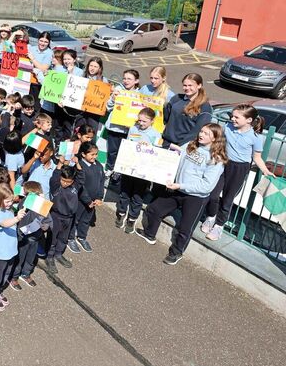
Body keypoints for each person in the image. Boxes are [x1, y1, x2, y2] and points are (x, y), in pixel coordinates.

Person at [136, 124, 227, 265]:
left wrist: (181, 185)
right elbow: (173, 153)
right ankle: (149, 234)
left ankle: (176, 253)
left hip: (196, 198)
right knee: (154, 209)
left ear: (215, 138)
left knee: (185, 228)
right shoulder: (191, 145)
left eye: (207, 134)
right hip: (177, 190)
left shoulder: (216, 159)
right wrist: (149, 145)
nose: (201, 134)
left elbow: (206, 186)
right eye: (201, 131)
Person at [201, 104, 273, 241]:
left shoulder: (256, 137)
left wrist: (265, 170)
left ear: (248, 120)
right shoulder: (228, 127)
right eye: (232, 116)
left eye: (236, 117)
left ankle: (219, 226)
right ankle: (210, 217)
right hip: (222, 164)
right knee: (213, 194)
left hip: (239, 169)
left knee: (227, 200)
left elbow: (256, 157)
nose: (232, 119)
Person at [115, 108, 163, 233]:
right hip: (129, 167)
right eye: (139, 120)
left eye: (144, 121)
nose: (140, 123)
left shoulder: (156, 135)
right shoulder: (133, 129)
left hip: (143, 171)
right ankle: (121, 213)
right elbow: (127, 144)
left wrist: (150, 147)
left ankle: (132, 219)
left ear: (152, 121)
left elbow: (158, 152)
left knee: (137, 196)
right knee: (124, 192)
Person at [0, 184, 24, 311]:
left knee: (6, 274)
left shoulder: (10, 210)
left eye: (11, 201)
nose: (10, 203)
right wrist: (17, 218)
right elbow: (5, 224)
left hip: (10, 250)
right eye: (7, 201)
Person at [162, 73, 212, 148]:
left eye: (190, 85)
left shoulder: (205, 107)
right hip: (165, 142)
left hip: (182, 147)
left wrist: (180, 146)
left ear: (199, 85)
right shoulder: (176, 98)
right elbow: (165, 118)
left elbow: (197, 131)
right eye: (185, 85)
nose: (187, 88)